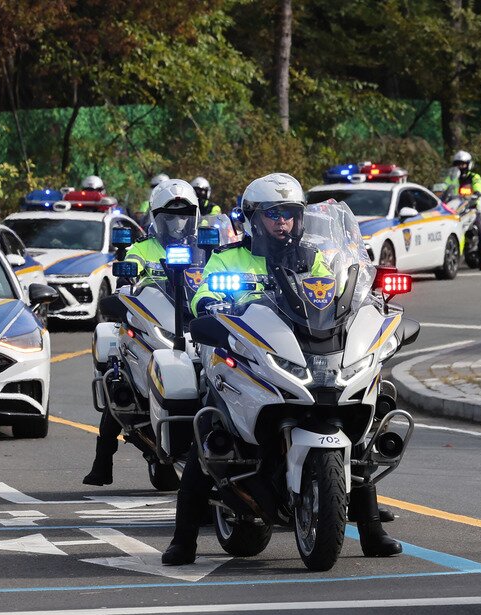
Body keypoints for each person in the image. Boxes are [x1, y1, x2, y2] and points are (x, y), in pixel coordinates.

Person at [163, 173, 402, 566]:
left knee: (356, 423)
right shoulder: (229, 258)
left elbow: (336, 291)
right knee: (209, 430)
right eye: (272, 214)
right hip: (243, 357)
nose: (282, 223)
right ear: (253, 218)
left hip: (305, 352)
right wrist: (209, 304)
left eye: (289, 214)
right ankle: (183, 539)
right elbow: (203, 295)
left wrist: (364, 303)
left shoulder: (313, 257)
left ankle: (372, 531)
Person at [82, 179, 202, 486]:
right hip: (151, 322)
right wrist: (127, 279)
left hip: (194, 322)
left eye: (184, 216)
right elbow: (128, 274)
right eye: (170, 217)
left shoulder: (206, 249)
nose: (178, 223)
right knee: (118, 382)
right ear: (156, 218)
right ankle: (102, 459)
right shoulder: (142, 248)